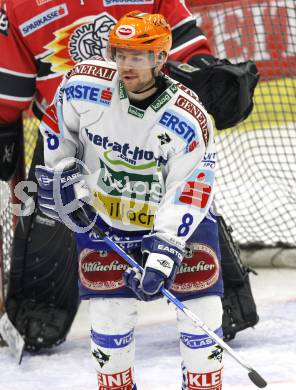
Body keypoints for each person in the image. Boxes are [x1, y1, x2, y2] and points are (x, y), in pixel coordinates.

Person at [0, 0, 258, 350]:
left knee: (182, 209)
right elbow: (7, 89)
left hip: (150, 130)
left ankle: (218, 299)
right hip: (72, 142)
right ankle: (38, 312)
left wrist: (206, 73)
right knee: (40, 304)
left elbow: (185, 44)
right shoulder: (15, 6)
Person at [35, 11, 224, 389]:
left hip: (177, 227)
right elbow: (58, 126)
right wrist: (62, 174)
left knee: (203, 315)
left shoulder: (188, 118)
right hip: (104, 219)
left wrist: (165, 250)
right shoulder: (82, 84)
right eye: (119, 54)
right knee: (108, 319)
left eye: (137, 56)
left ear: (160, 58)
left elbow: (191, 189)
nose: (125, 65)